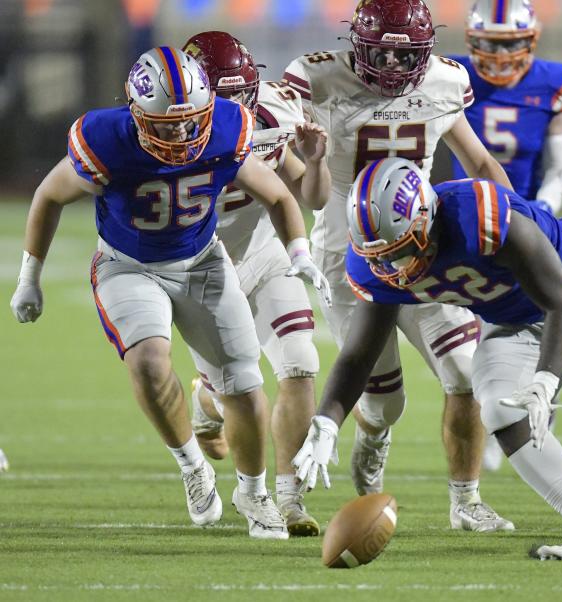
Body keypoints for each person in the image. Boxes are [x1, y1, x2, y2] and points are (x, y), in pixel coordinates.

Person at [292, 158, 562, 560]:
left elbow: (561, 304)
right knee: (499, 408)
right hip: (511, 322)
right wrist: (327, 422)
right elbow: (359, 355)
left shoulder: (479, 215)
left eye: (398, 251)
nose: (390, 266)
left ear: (424, 219)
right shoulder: (378, 261)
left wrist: (545, 381)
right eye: (379, 255)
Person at [9, 46, 327, 539]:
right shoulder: (106, 139)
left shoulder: (225, 126)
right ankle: (191, 465)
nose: (179, 134)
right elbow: (50, 193)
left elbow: (279, 194)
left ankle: (253, 491)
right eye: (165, 125)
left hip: (203, 262)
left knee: (243, 383)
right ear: (137, 115)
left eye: (189, 122)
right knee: (150, 361)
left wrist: (300, 252)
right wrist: (30, 275)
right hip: (128, 266)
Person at [282, 0, 513, 532]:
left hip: (422, 249)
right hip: (349, 257)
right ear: (357, 45)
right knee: (385, 403)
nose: (390, 66)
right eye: (379, 53)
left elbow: (478, 160)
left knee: (465, 374)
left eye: (401, 55)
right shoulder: (318, 78)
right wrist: (314, 159)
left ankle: (467, 501)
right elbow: (314, 199)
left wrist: (513, 223)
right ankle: (373, 434)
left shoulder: (445, 81)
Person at [181, 31, 331, 536]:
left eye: (239, 94)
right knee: (237, 388)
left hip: (263, 251)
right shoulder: (167, 125)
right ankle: (207, 399)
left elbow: (308, 195)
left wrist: (314, 162)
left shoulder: (273, 112)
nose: (232, 108)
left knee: (300, 362)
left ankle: (288, 498)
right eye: (219, 98)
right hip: (200, 266)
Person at [447, 0, 562, 471]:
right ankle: (501, 414)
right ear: (471, 40)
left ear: (530, 42)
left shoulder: (554, 83)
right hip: (463, 221)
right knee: (475, 330)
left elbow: (559, 164)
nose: (500, 57)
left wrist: (541, 209)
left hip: (529, 217)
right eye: (489, 44)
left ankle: (536, 398)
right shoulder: (451, 77)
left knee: (539, 314)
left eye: (509, 46)